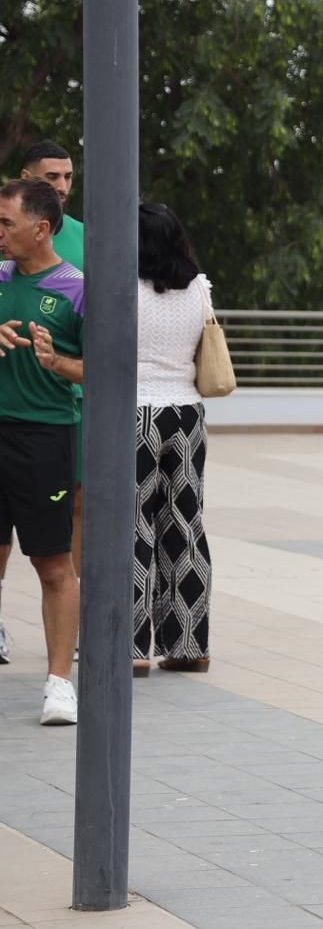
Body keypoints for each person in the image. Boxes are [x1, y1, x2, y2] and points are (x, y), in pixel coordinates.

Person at [0, 178, 84, 724]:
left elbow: (107, 372)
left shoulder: (77, 289)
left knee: (52, 563)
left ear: (41, 228)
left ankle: (59, 685)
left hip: (45, 438)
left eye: (6, 223)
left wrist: (58, 363)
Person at [132, 203, 215, 675]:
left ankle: (132, 646)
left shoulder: (123, 289)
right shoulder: (200, 288)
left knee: (134, 525)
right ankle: (189, 644)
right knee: (185, 524)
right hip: (186, 415)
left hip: (136, 414)